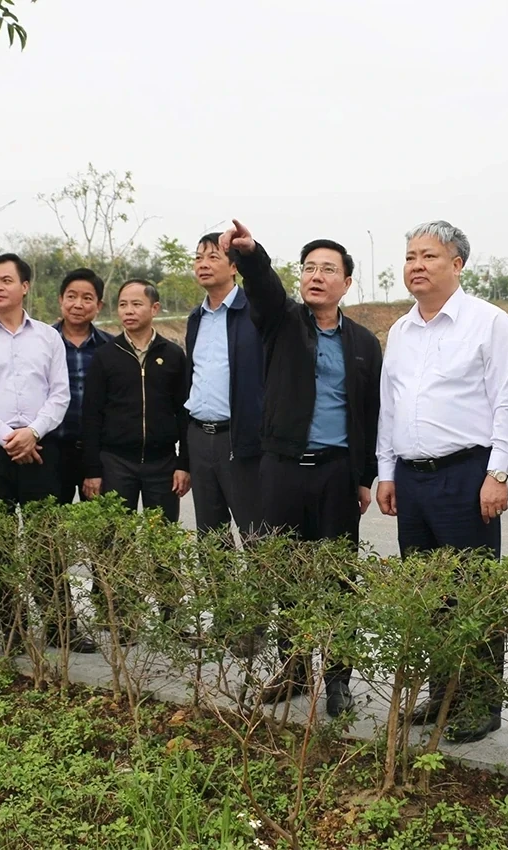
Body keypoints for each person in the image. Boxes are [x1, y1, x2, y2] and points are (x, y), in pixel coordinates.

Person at [221, 219, 382, 719]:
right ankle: (293, 670)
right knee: (287, 576)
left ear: (346, 283)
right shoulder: (282, 322)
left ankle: (338, 679)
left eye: (328, 269)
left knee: (338, 580)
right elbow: (263, 288)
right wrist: (250, 255)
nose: (316, 276)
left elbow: (370, 412)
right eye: (309, 267)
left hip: (336, 473)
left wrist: (364, 477)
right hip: (283, 469)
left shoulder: (363, 342)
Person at [375, 220, 508, 743]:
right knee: (430, 596)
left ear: (457, 264)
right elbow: (390, 406)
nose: (416, 265)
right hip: (412, 479)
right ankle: (443, 694)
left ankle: (481, 703)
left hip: (467, 474)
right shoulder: (400, 330)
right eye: (410, 256)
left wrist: (497, 473)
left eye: (429, 256)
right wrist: (387, 471)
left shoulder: (489, 323)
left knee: (473, 594)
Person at [0, 253, 96, 653]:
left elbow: (60, 394)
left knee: (45, 541)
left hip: (40, 449)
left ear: (25, 286)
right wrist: (8, 436)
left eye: (6, 280)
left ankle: (59, 627)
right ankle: (13, 630)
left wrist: (32, 433)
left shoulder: (48, 338)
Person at [81, 280, 190, 520]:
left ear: (154, 308)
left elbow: (184, 412)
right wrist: (93, 470)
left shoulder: (172, 355)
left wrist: (184, 464)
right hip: (115, 463)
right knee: (115, 536)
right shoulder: (105, 355)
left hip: (162, 462)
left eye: (136, 304)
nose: (128, 311)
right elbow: (91, 415)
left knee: (162, 536)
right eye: (123, 305)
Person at [184, 233, 265, 539]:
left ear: (234, 267)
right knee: (211, 538)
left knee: (256, 533)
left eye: (212, 257)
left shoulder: (255, 312)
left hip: (241, 438)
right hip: (200, 438)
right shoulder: (196, 318)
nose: (203, 264)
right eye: (198, 258)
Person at [52, 268, 114, 504]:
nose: (78, 304)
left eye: (87, 298)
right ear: (61, 300)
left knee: (100, 522)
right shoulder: (42, 342)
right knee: (51, 522)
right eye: (71, 296)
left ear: (99, 305)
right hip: (53, 450)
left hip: (100, 452)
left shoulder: (111, 347)